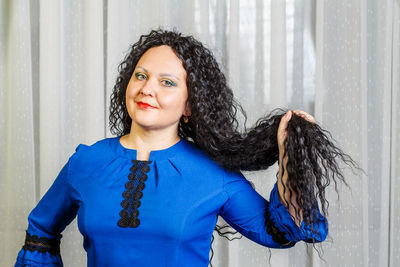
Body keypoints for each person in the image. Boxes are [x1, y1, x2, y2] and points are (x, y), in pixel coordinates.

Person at [15, 29, 356, 267]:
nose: (148, 89)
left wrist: (291, 154)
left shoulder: (213, 174)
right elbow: (41, 230)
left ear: (190, 105)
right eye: (140, 76)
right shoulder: (86, 162)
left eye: (167, 82)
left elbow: (278, 233)